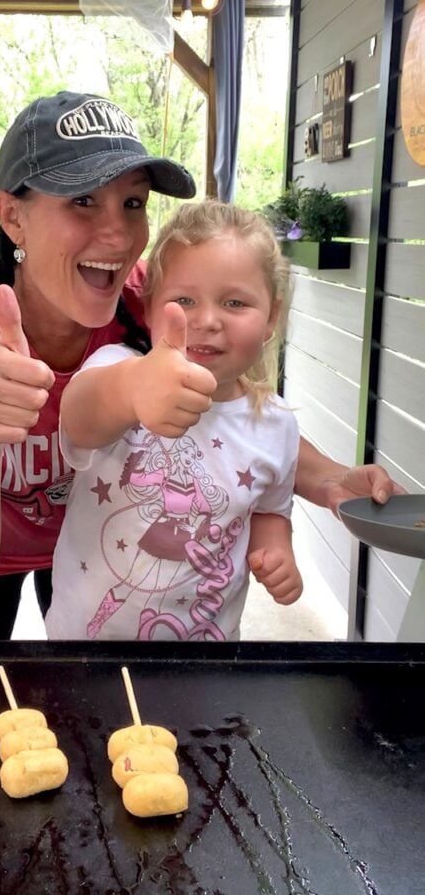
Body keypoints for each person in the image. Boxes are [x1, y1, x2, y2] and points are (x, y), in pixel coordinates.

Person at [0, 90, 402, 642]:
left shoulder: (165, 304)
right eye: (82, 201)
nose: (117, 236)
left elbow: (232, 418)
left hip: (98, 544)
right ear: (13, 216)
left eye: (132, 203)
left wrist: (330, 480)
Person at [45, 200, 303, 641]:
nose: (207, 320)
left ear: (271, 318)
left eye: (235, 302)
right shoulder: (116, 366)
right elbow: (80, 418)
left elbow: (269, 510)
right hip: (83, 651)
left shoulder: (276, 425)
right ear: (148, 309)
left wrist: (276, 549)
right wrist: (133, 390)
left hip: (204, 658)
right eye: (184, 300)